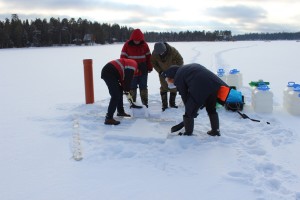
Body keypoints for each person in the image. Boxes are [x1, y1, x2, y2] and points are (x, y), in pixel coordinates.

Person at [163, 64, 231, 136]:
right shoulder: (185, 69)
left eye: (169, 80)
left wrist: (190, 112)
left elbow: (185, 95)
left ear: (172, 76)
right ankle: (215, 131)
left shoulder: (178, 77)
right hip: (214, 84)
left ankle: (188, 133)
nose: (170, 82)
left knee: (189, 109)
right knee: (211, 108)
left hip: (201, 86)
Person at [120, 29, 153, 107]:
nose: (137, 41)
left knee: (143, 87)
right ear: (132, 39)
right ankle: (132, 103)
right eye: (135, 40)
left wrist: (150, 67)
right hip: (131, 70)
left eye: (139, 40)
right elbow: (123, 58)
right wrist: (124, 69)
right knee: (132, 87)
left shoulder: (145, 45)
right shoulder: (126, 45)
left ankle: (145, 103)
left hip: (143, 69)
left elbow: (149, 57)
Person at [101, 58, 138, 125]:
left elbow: (123, 82)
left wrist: (125, 89)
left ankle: (120, 111)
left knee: (120, 90)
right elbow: (127, 82)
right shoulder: (132, 67)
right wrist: (127, 91)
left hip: (112, 72)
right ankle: (109, 118)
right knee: (115, 95)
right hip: (109, 72)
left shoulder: (131, 64)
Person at [151, 42, 184, 111]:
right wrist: (160, 71)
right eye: (159, 53)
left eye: (162, 52)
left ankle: (172, 104)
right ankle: (164, 105)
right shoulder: (154, 54)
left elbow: (180, 60)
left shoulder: (172, 51)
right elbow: (153, 63)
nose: (161, 53)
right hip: (162, 72)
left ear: (165, 49)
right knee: (163, 87)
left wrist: (176, 70)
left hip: (173, 72)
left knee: (173, 87)